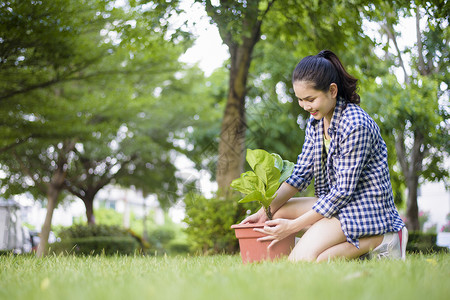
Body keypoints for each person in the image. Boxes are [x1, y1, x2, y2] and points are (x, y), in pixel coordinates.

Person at [241, 50, 408, 262]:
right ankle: (348, 247)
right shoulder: (316, 123)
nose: (305, 106)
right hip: (337, 207)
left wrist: (293, 227)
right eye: (300, 100)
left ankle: (384, 238)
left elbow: (342, 192)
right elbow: (300, 174)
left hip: (363, 209)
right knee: (276, 214)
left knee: (304, 261)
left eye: (310, 99)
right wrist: (265, 210)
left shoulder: (355, 125)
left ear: (332, 90)